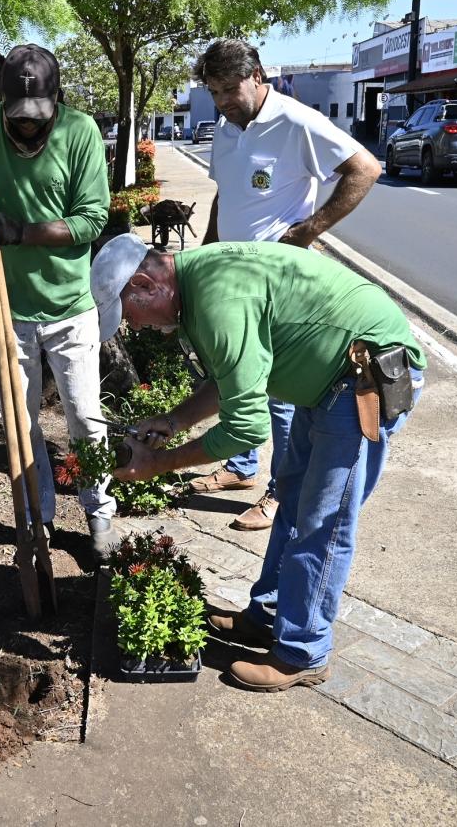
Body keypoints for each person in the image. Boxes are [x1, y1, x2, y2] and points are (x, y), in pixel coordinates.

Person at [90, 232, 425, 691]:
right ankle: (267, 617)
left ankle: (303, 653)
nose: (136, 326)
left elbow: (247, 428)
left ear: (148, 284)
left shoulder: (218, 302)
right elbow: (232, 377)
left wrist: (159, 464)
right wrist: (174, 419)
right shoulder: (194, 288)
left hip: (360, 379)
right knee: (290, 498)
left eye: (130, 314)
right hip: (327, 379)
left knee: (322, 524)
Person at [190, 38, 383, 533]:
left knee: (274, 390)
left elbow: (366, 168)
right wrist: (207, 250)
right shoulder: (227, 129)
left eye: (230, 89)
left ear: (257, 75)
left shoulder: (295, 121)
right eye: (214, 92)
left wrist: (308, 230)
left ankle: (280, 491)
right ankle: (241, 468)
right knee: (235, 374)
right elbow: (224, 194)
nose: (223, 101)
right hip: (230, 280)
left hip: (277, 287)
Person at [0, 44, 116, 560]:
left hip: (71, 306)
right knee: (22, 421)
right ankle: (38, 518)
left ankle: (99, 514)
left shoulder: (80, 133)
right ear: (2, 101)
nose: (28, 127)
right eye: (18, 117)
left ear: (56, 100)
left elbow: (90, 220)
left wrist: (19, 231)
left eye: (38, 119)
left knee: (84, 416)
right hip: (7, 311)